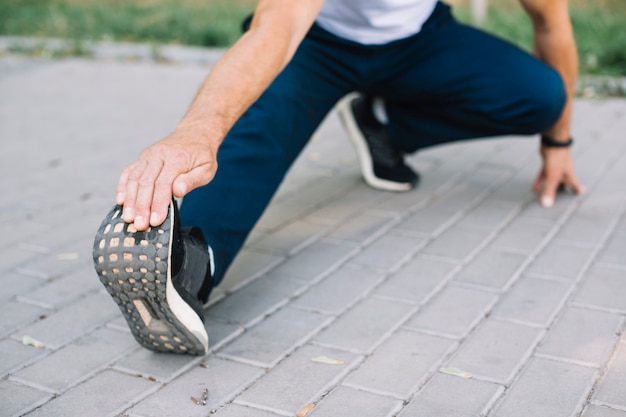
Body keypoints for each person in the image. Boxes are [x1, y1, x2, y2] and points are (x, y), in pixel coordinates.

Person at [93, 0, 584, 355]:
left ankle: (385, 128)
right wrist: (195, 133)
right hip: (315, 43)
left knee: (541, 95)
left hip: (421, 43)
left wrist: (557, 142)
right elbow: (276, 28)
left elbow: (550, 21)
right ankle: (189, 268)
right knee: (256, 135)